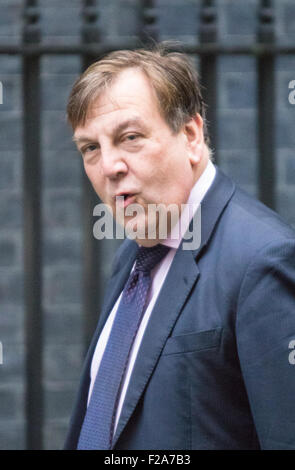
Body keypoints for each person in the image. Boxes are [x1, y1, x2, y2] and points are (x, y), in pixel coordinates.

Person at [64, 45, 295, 450]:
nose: (109, 166)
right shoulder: (135, 256)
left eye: (130, 137)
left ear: (190, 135)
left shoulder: (262, 260)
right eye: (91, 148)